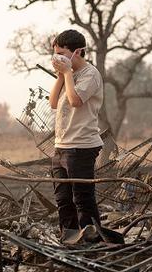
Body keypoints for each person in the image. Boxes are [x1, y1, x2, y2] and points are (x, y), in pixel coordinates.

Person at [49, 29, 104, 235]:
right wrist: (61, 76)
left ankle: (92, 242)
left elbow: (75, 101)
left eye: (62, 53)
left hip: (81, 146)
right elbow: (54, 103)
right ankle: (69, 242)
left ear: (78, 52)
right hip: (61, 146)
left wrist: (68, 74)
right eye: (56, 54)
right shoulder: (66, 75)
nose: (58, 58)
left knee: (82, 200)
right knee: (63, 201)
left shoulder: (90, 75)